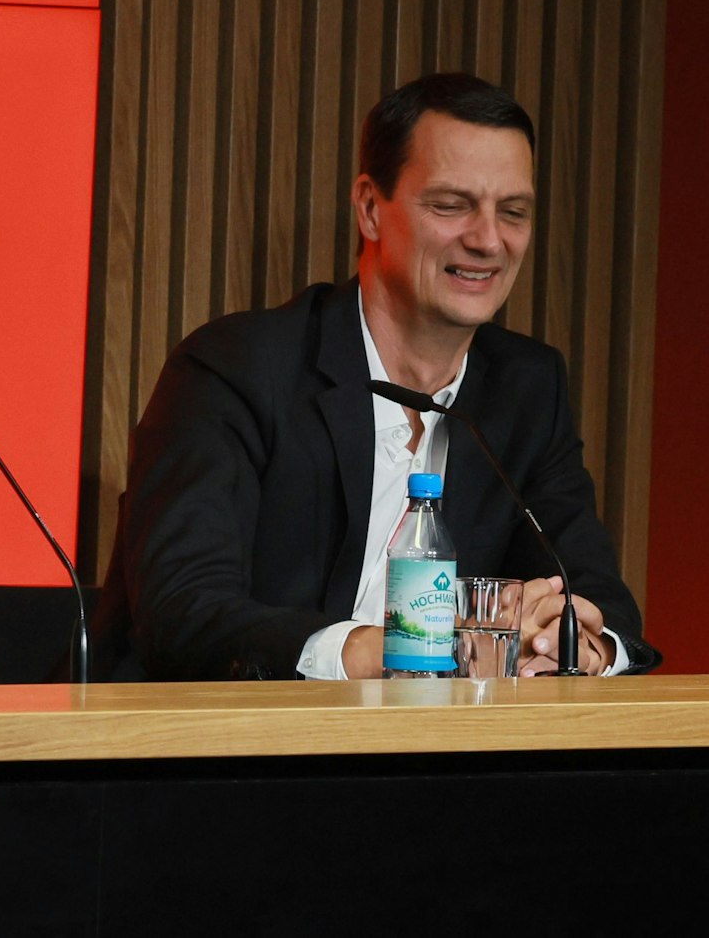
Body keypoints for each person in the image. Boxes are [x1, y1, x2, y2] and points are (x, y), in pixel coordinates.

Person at [97, 72, 659, 680]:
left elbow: (604, 605)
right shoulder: (235, 368)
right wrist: (390, 648)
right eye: (451, 205)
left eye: (514, 212)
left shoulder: (526, 386)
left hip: (438, 763)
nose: (489, 240)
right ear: (370, 208)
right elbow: (180, 612)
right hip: (214, 753)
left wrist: (568, 645)